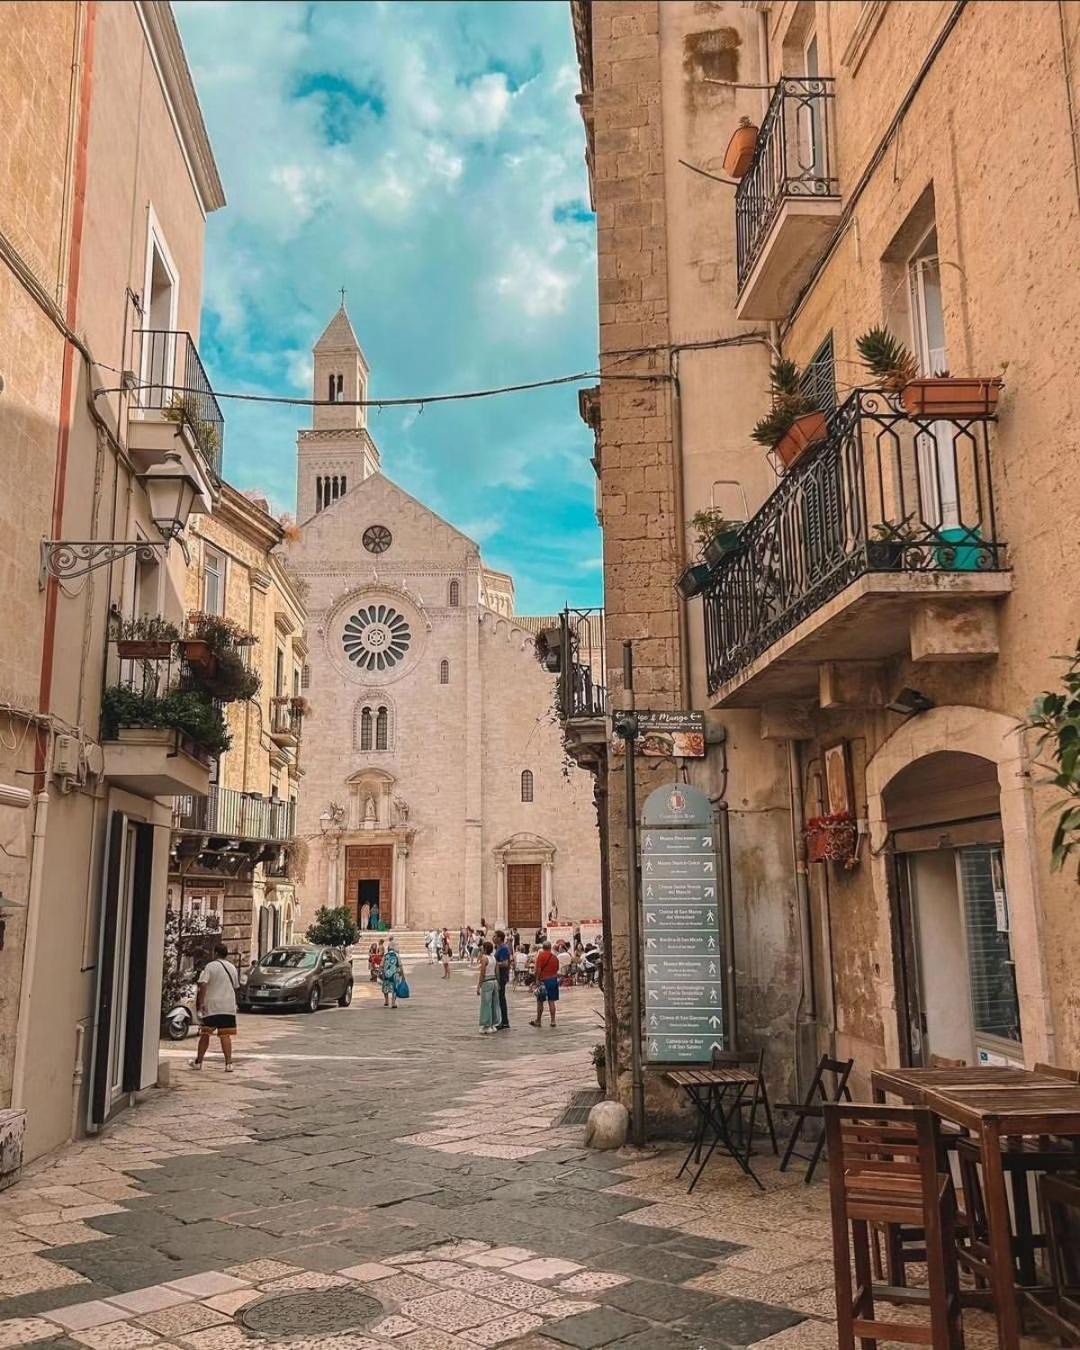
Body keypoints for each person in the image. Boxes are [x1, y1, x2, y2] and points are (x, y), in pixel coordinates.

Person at [191, 944, 239, 1072]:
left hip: (212, 1006)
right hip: (227, 1006)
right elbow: (236, 985)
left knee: (205, 1034)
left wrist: (201, 1002)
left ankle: (198, 1062)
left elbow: (204, 984)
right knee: (225, 1035)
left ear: (216, 953)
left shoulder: (210, 966)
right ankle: (228, 1064)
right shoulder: (232, 968)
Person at [530, 940, 560, 1028]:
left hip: (543, 981)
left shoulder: (541, 956)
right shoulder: (555, 957)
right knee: (551, 1001)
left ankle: (538, 1020)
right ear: (550, 948)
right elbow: (557, 969)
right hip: (553, 980)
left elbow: (538, 969)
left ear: (542, 948)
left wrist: (537, 980)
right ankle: (553, 1021)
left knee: (540, 1001)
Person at [477, 940, 499, 1034]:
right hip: (494, 981)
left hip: (487, 981)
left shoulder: (484, 958)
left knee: (486, 1004)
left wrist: (479, 985)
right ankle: (493, 1024)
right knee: (494, 1004)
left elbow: (482, 973)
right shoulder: (493, 958)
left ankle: (486, 1025)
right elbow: (497, 971)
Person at [493, 929, 512, 1031]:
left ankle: (504, 1021)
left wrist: (493, 963)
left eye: (495, 936)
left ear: (500, 938)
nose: (493, 938)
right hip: (499, 976)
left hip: (501, 976)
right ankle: (503, 1020)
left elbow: (505, 963)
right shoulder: (499, 947)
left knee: (501, 999)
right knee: (500, 999)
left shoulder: (503, 948)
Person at [381, 937, 403, 1009]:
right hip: (395, 974)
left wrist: (380, 972)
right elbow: (400, 965)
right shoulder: (397, 955)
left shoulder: (385, 955)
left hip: (386, 974)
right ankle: (393, 1002)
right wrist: (402, 974)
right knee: (394, 988)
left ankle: (386, 1001)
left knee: (386, 987)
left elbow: (381, 964)